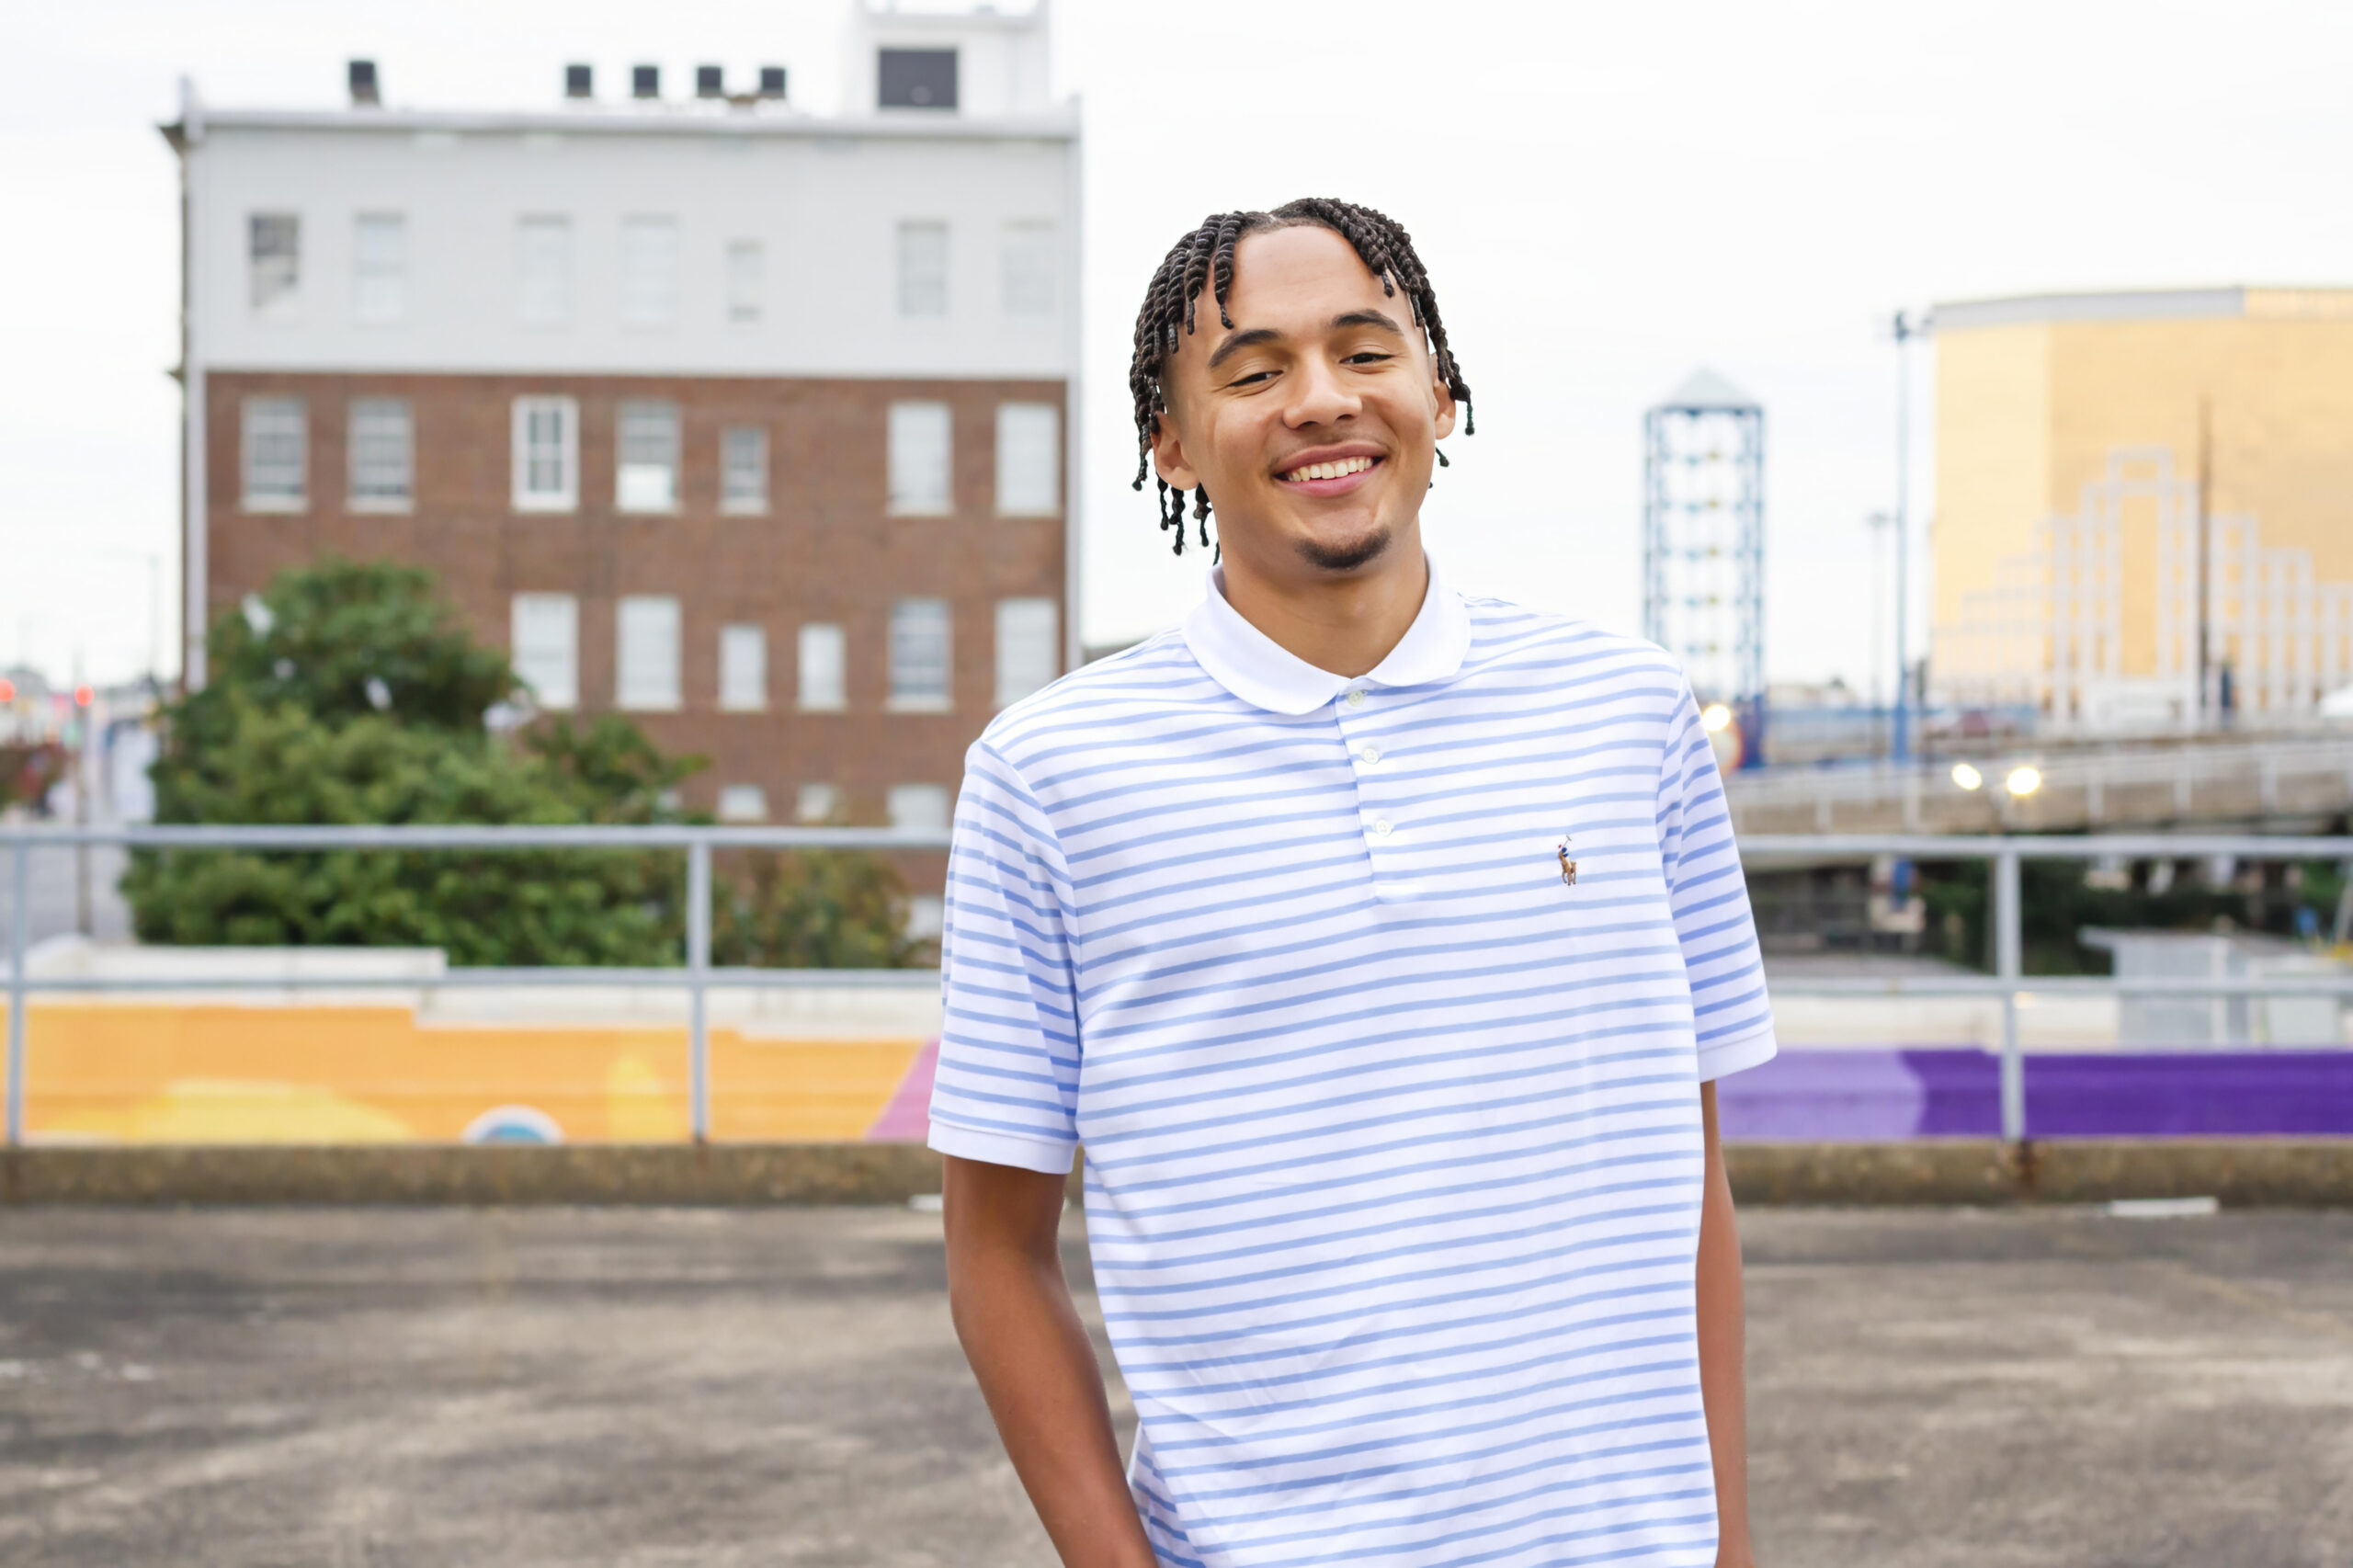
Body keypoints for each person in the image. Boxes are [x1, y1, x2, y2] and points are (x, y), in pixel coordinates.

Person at [930, 198, 1773, 1568]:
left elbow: (1692, 1176)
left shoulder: (1628, 715)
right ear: (1172, 439)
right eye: (1252, 371)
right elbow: (994, 1252)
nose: (1321, 402)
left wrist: (1728, 1544)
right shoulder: (1050, 776)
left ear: (1438, 393)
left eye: (1365, 352)